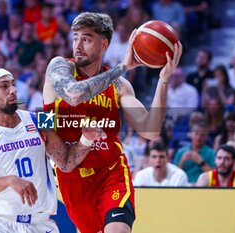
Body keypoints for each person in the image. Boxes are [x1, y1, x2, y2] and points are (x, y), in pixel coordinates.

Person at [43, 12, 182, 233]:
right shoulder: (60, 67)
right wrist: (122, 66)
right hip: (72, 176)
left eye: (86, 39)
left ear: (104, 44)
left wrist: (163, 81)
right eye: (75, 38)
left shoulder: (119, 86)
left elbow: (151, 130)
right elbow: (73, 94)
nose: (78, 45)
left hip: (111, 172)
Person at [0, 68, 105, 233]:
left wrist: (86, 139)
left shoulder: (40, 118)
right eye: (4, 86)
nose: (13, 90)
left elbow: (65, 163)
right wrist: (9, 181)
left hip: (42, 224)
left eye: (13, 84)